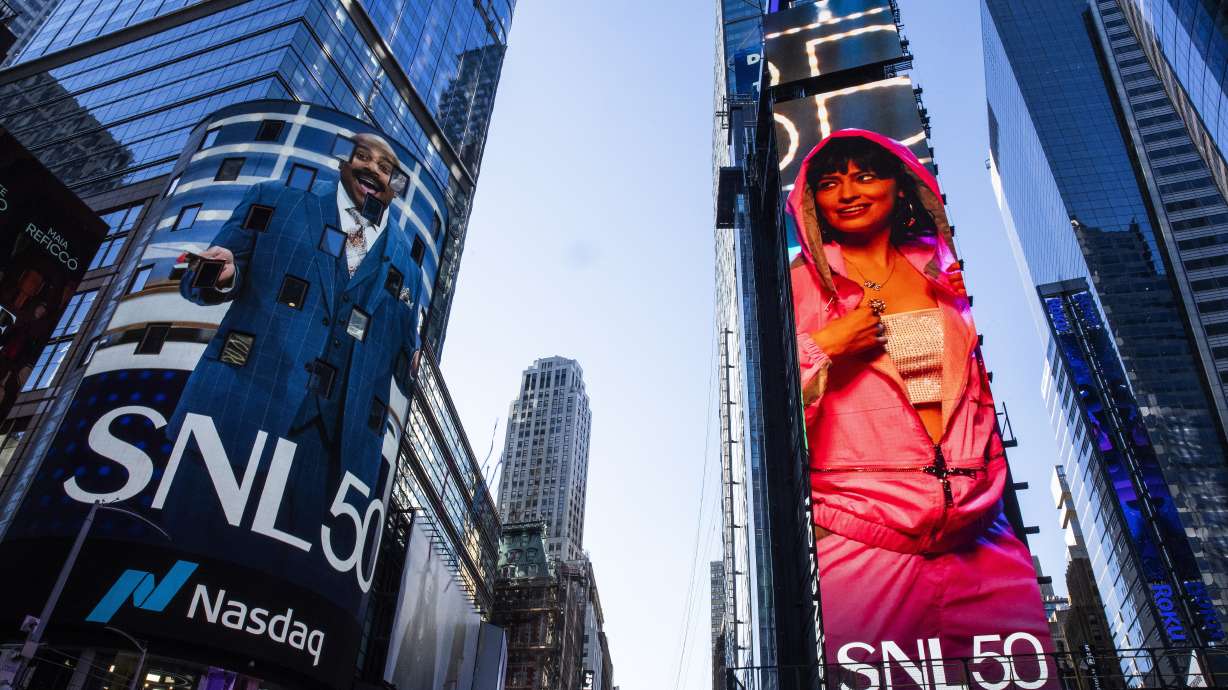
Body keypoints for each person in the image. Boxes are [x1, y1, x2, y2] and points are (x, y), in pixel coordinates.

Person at [789, 129, 1056, 685]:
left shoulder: (942, 277)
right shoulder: (798, 286)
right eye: (830, 183)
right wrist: (829, 344)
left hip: (983, 541)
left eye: (866, 175)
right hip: (861, 546)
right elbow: (767, 407)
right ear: (812, 204)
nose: (848, 192)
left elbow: (941, 396)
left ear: (902, 187)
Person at [166, 133, 420, 599]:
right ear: (343, 160)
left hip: (334, 459)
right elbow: (200, 283)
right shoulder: (275, 201)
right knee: (182, 568)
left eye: (385, 166)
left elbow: (404, 363)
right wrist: (218, 273)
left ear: (394, 185)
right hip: (236, 419)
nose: (372, 170)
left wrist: (413, 358)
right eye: (363, 156)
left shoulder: (408, 264)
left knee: (286, 595)